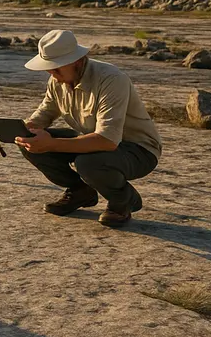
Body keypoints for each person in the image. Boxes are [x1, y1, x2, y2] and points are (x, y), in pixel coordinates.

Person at [15, 29, 162, 227]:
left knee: (88, 162)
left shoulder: (110, 79)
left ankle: (122, 200)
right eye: (48, 68)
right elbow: (45, 112)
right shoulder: (57, 80)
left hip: (138, 150)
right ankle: (80, 191)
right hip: (95, 142)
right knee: (30, 141)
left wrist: (51, 144)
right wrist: (27, 129)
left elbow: (108, 140)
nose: (52, 73)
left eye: (56, 68)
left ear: (77, 61)